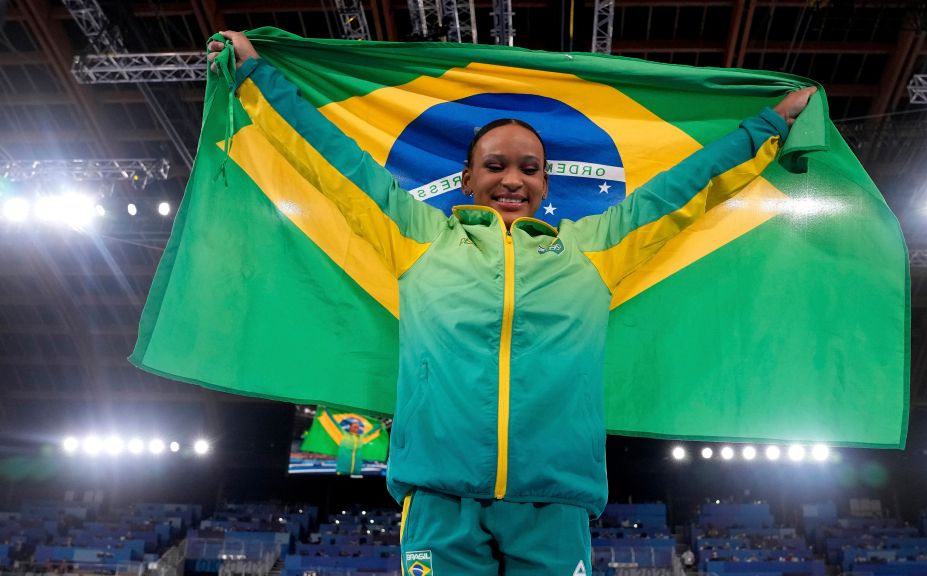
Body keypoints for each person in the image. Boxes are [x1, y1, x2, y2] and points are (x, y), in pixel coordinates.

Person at [208, 31, 815, 576]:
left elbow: (685, 189)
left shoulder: (595, 250)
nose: (513, 179)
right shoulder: (417, 237)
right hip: (440, 502)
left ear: (547, 185)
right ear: (466, 180)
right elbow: (333, 161)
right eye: (494, 166)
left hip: (552, 505)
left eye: (530, 168)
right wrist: (257, 77)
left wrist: (771, 124)